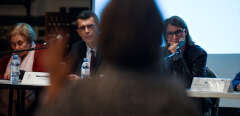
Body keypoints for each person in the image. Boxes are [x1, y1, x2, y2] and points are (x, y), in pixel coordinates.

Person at [35, 0, 200, 116]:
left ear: (104, 34)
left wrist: (55, 90)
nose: (86, 31)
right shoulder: (174, 100)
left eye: (90, 26)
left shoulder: (81, 97)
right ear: (158, 37)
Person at [163, 16, 211, 115]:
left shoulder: (198, 53)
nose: (175, 37)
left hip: (193, 104)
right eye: (170, 33)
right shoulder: (161, 53)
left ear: (185, 32)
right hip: (168, 102)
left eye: (178, 32)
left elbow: (192, 84)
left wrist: (177, 57)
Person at [0, 23, 45, 116]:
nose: (16, 48)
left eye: (20, 43)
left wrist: (21, 74)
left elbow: (42, 77)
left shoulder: (40, 53)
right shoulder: (8, 56)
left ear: (29, 41)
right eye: (13, 44)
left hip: (35, 102)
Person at [67, 10, 100, 79]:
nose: (86, 31)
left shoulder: (110, 49)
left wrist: (82, 82)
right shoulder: (76, 48)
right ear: (79, 33)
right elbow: (69, 73)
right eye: (82, 28)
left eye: (90, 26)